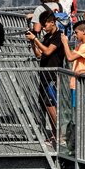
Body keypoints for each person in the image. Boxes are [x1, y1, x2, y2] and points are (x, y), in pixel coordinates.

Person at [26, 10, 65, 143]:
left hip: (53, 76)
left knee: (51, 104)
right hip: (44, 75)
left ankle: (60, 135)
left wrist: (35, 39)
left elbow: (48, 51)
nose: (43, 28)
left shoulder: (58, 36)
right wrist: (33, 42)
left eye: (45, 25)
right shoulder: (47, 37)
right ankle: (55, 134)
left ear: (52, 23)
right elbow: (39, 54)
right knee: (47, 106)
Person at [61, 20, 85, 101]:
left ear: (83, 32)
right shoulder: (81, 45)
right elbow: (70, 54)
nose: (75, 35)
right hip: (75, 83)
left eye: (76, 32)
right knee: (74, 109)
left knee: (81, 111)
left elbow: (70, 58)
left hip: (82, 84)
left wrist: (65, 43)